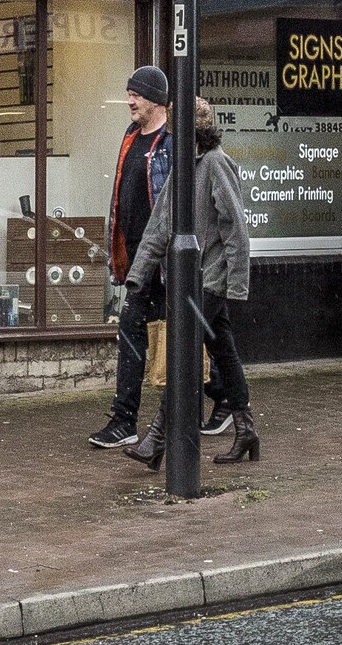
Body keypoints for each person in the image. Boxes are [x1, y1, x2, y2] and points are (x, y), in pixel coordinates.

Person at [122, 95, 258, 468]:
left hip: (210, 279)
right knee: (224, 352)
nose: (169, 136)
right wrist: (137, 276)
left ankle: (156, 439)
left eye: (175, 129)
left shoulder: (215, 164)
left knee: (182, 351)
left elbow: (236, 230)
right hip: (189, 279)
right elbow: (159, 225)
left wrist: (237, 284)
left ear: (193, 131)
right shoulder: (184, 169)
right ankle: (245, 429)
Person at [88, 65, 172, 449]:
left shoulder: (171, 145)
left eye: (136, 95)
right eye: (128, 93)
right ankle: (125, 421)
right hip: (137, 256)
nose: (130, 101)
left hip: (166, 260)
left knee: (183, 336)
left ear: (156, 100)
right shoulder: (130, 137)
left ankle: (225, 401)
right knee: (133, 333)